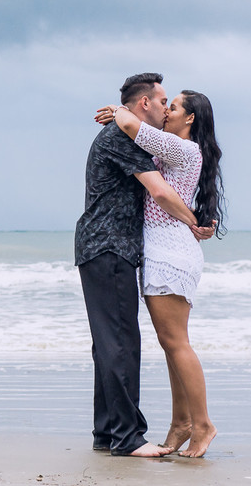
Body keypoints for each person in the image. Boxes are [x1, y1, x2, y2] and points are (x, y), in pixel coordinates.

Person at [76, 72, 213, 457]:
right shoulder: (125, 139)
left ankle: (109, 433)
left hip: (108, 248)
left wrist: (121, 113)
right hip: (110, 247)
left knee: (110, 343)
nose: (167, 108)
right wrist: (194, 222)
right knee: (119, 342)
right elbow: (159, 190)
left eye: (174, 104)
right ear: (145, 104)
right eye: (163, 101)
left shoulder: (149, 142)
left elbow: (171, 181)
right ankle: (126, 437)